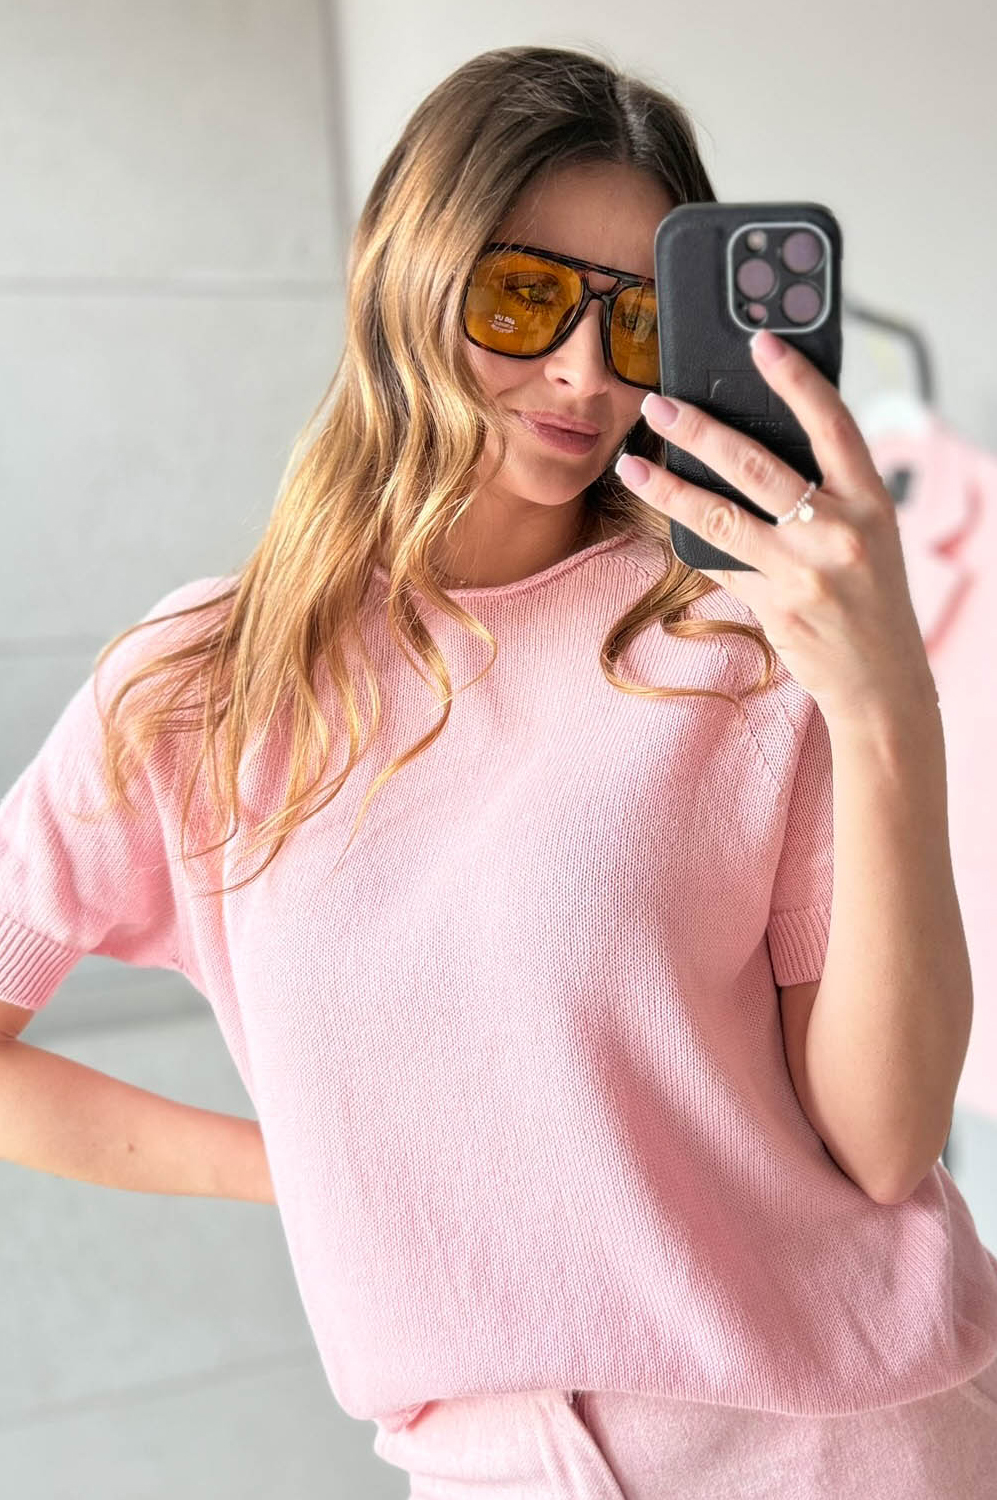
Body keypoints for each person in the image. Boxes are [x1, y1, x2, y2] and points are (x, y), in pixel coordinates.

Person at [2, 43, 997, 1500]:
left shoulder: (741, 638)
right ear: (405, 278)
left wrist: (887, 703)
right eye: (523, 298)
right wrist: (308, 1169)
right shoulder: (202, 685)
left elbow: (884, 1143)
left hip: (844, 1450)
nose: (583, 373)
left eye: (638, 321)